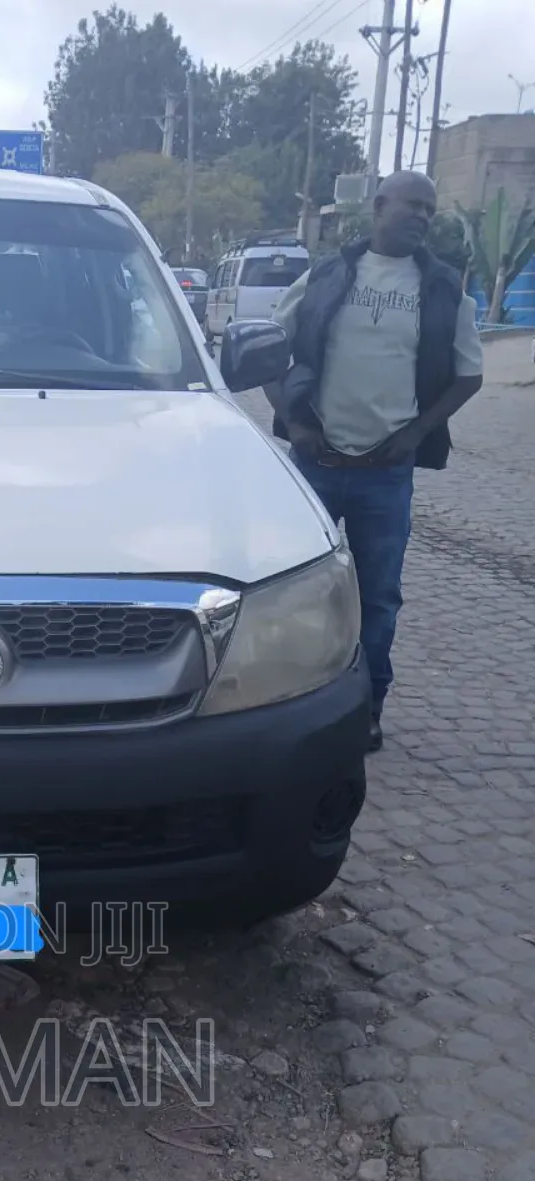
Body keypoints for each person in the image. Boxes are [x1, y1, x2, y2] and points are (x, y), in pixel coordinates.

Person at [266, 171, 483, 753]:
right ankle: (285, 701)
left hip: (385, 477)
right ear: (379, 205)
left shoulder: (443, 290)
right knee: (289, 592)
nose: (421, 217)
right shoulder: (328, 275)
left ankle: (368, 706)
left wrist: (415, 434)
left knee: (379, 598)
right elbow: (266, 348)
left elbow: (470, 374)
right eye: (411, 205)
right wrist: (297, 421)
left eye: (430, 211)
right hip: (314, 466)